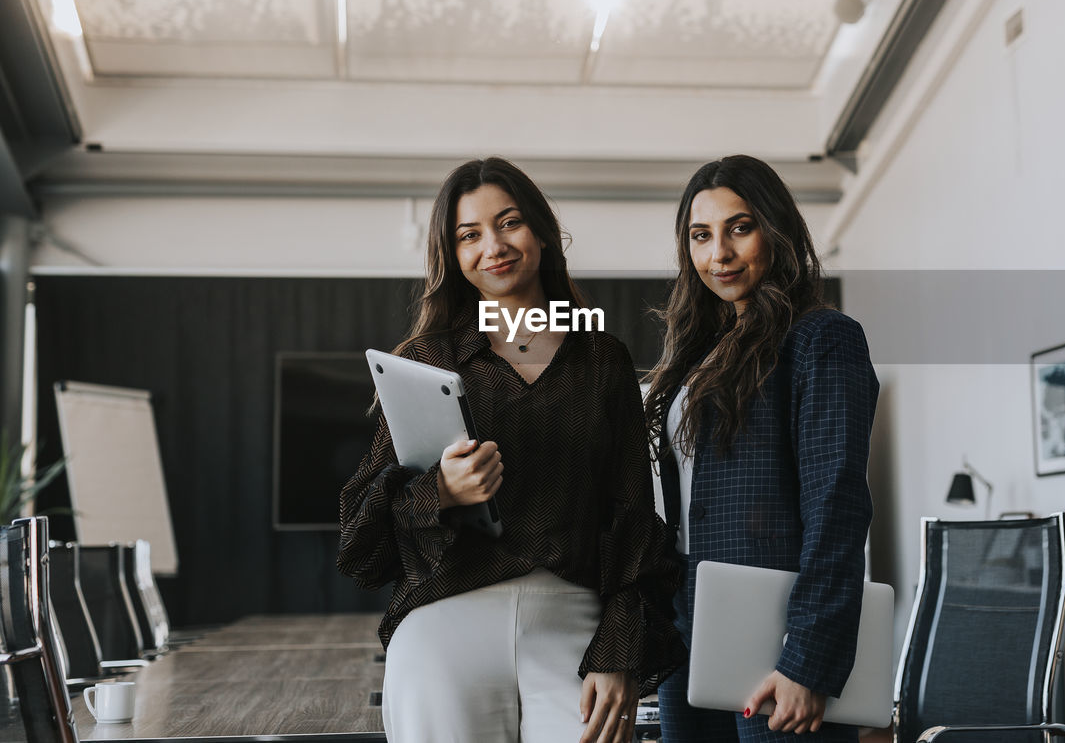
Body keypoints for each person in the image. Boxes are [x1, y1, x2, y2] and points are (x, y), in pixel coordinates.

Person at [338, 157, 684, 743]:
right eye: (469, 235)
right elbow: (358, 543)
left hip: (573, 625)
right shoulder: (427, 360)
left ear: (543, 233)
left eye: (509, 223)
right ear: (453, 256)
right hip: (445, 622)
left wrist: (619, 651)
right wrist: (438, 492)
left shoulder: (603, 359)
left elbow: (631, 517)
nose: (493, 246)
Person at [644, 155, 878, 741]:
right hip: (688, 623)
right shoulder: (695, 357)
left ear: (775, 231)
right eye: (701, 236)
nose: (718, 253)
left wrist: (807, 658)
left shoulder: (822, 339)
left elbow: (838, 504)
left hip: (775, 630)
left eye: (738, 228)